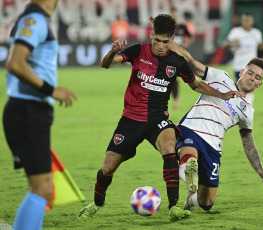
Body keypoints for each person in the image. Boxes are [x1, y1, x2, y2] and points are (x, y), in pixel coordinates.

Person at [77, 14, 240, 221]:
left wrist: (222, 94)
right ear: (151, 34)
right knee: (108, 168)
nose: (160, 46)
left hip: (158, 119)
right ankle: (97, 203)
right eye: (157, 40)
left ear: (171, 40)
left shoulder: (178, 62)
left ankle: (173, 207)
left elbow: (196, 85)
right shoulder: (138, 51)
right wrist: (112, 51)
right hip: (131, 120)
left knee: (170, 145)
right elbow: (105, 64)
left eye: (165, 42)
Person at [169, 43, 263, 212]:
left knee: (207, 203)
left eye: (258, 78)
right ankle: (188, 171)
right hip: (191, 128)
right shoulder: (220, 76)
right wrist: (169, 42)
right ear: (242, 72)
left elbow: (249, 145)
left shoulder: (247, 111)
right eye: (250, 72)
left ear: (259, 84)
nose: (252, 78)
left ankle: (191, 199)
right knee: (189, 155)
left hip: (213, 147)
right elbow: (191, 61)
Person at [3, 1, 77, 229]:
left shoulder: (34, 18)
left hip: (28, 111)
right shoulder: (35, 20)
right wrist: (51, 90)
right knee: (43, 189)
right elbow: (15, 63)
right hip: (28, 111)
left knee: (40, 188)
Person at [223, 13, 263, 104]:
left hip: (251, 65)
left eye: (248, 20)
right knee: (240, 87)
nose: (247, 22)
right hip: (239, 65)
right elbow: (225, 44)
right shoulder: (236, 31)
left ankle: (248, 106)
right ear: (241, 22)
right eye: (245, 20)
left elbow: (259, 45)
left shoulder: (256, 33)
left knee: (250, 86)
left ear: (252, 22)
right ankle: (237, 106)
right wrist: (233, 43)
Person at [169, 8, 195, 110]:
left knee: (174, 77)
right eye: (171, 15)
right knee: (172, 77)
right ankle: (175, 98)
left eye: (174, 15)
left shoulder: (182, 27)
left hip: (180, 55)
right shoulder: (167, 27)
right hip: (169, 55)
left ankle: (176, 98)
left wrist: (186, 44)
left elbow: (191, 37)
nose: (173, 17)